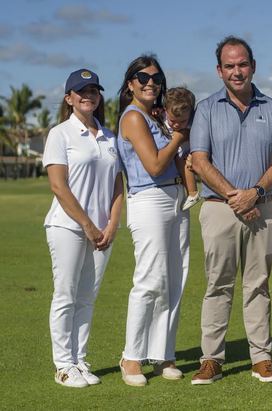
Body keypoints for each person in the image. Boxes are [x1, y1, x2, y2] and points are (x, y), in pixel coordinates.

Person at [190, 36, 272, 385]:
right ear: (220, 70)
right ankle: (211, 359)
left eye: (243, 64)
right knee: (217, 285)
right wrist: (237, 197)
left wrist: (255, 193)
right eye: (230, 66)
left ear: (253, 66)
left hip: (262, 209)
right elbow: (200, 161)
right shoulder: (206, 109)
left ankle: (261, 358)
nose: (237, 71)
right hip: (220, 210)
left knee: (258, 286)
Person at [43, 68, 123, 387]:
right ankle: (63, 365)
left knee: (87, 297)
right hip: (68, 227)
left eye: (93, 90)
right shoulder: (60, 134)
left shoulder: (110, 136)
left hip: (103, 231)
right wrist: (88, 224)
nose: (88, 96)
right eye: (81, 91)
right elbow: (59, 187)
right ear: (69, 98)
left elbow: (118, 185)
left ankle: (79, 360)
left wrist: (113, 224)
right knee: (66, 295)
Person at [116, 55, 190, 386]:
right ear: (130, 83)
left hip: (176, 199)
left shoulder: (157, 117)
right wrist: (180, 134)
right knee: (149, 280)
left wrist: (172, 128)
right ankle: (131, 358)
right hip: (150, 199)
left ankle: (163, 355)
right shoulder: (133, 118)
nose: (151, 83)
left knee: (175, 279)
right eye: (143, 77)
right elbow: (156, 165)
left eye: (157, 78)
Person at [163, 87, 200, 211]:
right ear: (165, 111)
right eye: (172, 121)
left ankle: (193, 192)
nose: (177, 125)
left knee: (182, 160)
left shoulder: (194, 121)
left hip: (187, 151)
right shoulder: (160, 117)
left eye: (183, 121)